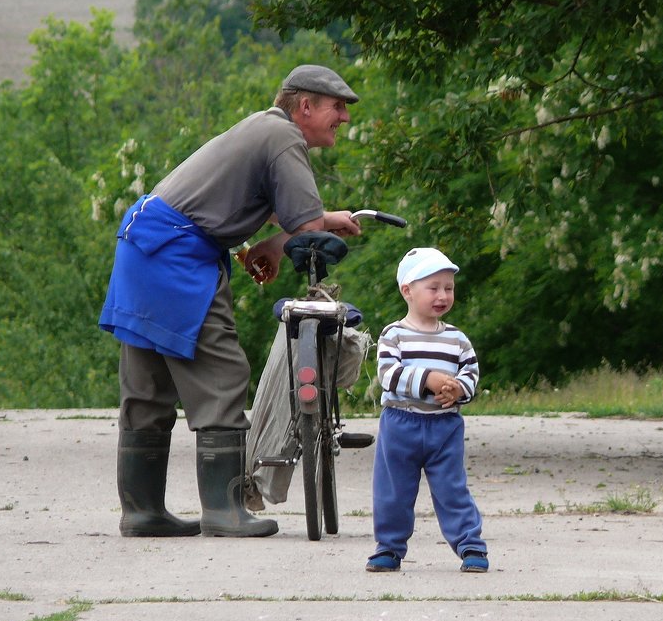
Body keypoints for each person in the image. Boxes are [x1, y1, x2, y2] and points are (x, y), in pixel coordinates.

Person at [99, 64, 363, 538]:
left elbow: (295, 218)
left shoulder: (262, 129)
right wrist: (308, 231)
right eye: (336, 107)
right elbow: (305, 231)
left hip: (143, 247)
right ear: (305, 106)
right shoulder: (284, 139)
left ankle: (141, 512)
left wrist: (302, 228)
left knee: (148, 385)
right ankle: (225, 511)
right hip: (178, 258)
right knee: (222, 375)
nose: (343, 117)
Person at [366, 247, 489, 572]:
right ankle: (389, 548)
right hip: (400, 423)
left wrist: (459, 389)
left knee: (452, 488)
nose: (442, 295)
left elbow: (471, 372)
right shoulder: (394, 335)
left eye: (448, 288)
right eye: (433, 288)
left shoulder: (456, 339)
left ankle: (471, 546)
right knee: (393, 491)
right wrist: (430, 379)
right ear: (407, 290)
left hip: (444, 426)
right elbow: (388, 375)